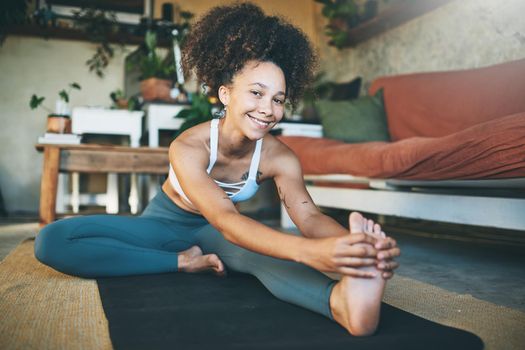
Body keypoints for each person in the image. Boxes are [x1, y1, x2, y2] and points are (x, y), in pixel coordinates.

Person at [35, 3, 400, 336]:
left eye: (278, 99)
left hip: (218, 234)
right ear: (226, 94)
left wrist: (349, 248)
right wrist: (309, 253)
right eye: (256, 93)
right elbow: (227, 218)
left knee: (257, 252)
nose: (268, 109)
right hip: (160, 226)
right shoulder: (189, 147)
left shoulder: (280, 157)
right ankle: (180, 261)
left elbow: (308, 217)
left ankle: (342, 302)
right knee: (52, 240)